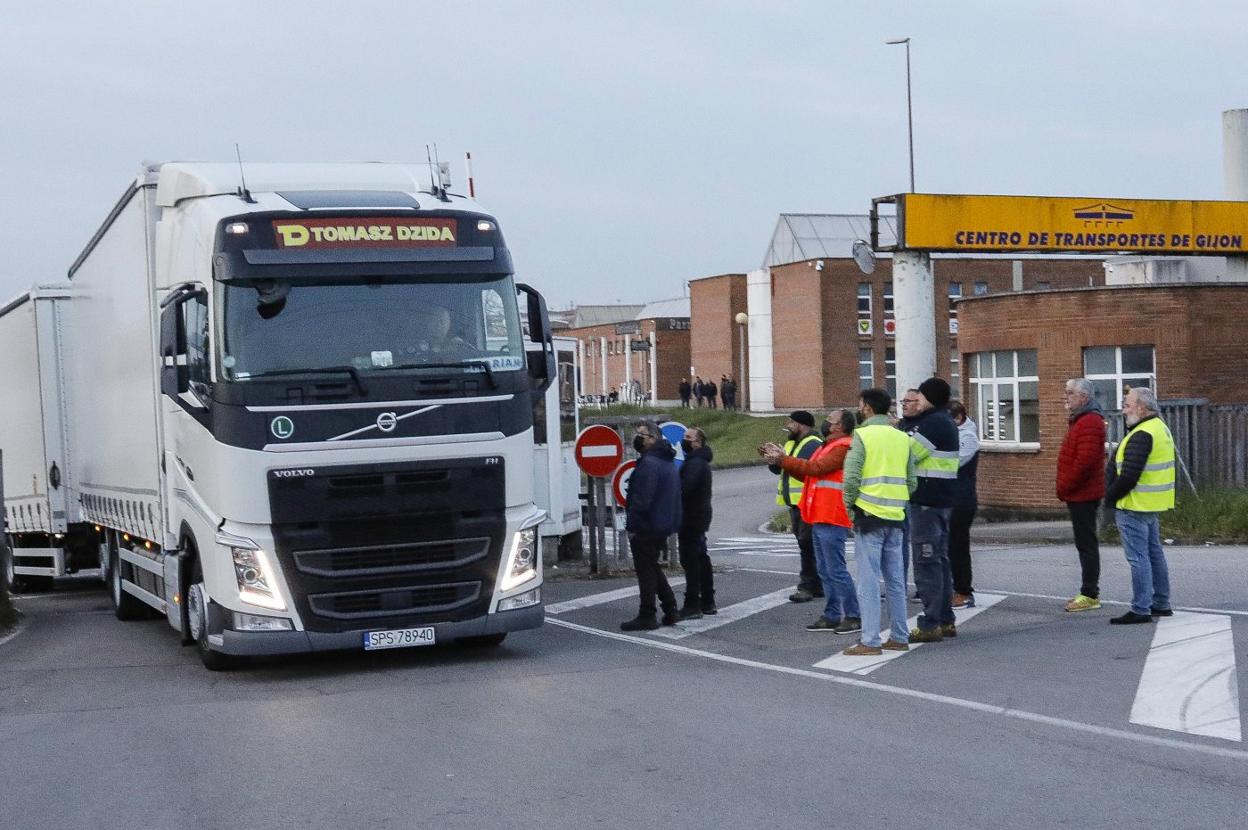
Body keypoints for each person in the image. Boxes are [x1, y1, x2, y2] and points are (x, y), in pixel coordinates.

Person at [763, 409, 861, 634]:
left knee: (835, 569)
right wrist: (784, 462)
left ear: (840, 427)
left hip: (831, 515)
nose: (826, 423)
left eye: (830, 420)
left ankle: (853, 615)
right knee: (826, 570)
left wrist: (784, 460)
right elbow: (809, 474)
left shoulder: (842, 446)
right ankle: (832, 614)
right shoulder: (827, 446)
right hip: (819, 514)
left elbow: (816, 469)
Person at [841, 388, 917, 656]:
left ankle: (870, 640)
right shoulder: (902, 438)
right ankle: (899, 635)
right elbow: (911, 481)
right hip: (896, 517)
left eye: (861, 404)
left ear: (867, 408)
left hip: (869, 516)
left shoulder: (862, 435)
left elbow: (850, 479)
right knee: (896, 580)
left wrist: (850, 510)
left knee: (869, 582)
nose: (859, 409)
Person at [1105, 387, 1175, 625]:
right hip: (1152, 504)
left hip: (1133, 504)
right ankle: (1161, 603)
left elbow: (1128, 476)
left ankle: (1141, 608)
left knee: (1138, 558)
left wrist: (1109, 497)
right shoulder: (1159, 428)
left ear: (1141, 408)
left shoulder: (1142, 433)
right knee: (1154, 554)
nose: (1124, 410)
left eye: (1127, 405)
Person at [906, 377, 961, 643]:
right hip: (940, 500)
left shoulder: (934, 423)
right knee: (940, 561)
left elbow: (908, 454)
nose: (917, 401)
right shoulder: (943, 420)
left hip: (927, 500)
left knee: (927, 563)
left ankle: (930, 623)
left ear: (929, 397)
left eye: (920, 397)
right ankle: (946, 619)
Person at [621, 420, 683, 631]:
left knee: (645, 570)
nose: (637, 438)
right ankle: (670, 607)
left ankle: (648, 613)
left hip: (647, 526)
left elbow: (642, 499)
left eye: (642, 434)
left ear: (653, 439)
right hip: (661, 524)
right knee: (652, 567)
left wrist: (633, 526)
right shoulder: (666, 461)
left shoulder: (649, 464)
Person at [1056, 377, 1107, 612]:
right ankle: (1088, 591)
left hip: (1083, 493)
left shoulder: (1089, 422)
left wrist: (1065, 485)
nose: (1065, 397)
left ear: (1084, 397)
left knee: (1086, 544)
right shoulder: (1081, 420)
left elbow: (1084, 462)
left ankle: (1090, 593)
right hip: (1080, 492)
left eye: (1070, 393)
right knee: (1084, 543)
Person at [765, 411, 824, 602]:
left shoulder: (812, 444)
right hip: (796, 504)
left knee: (808, 545)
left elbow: (804, 469)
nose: (788, 425)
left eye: (791, 422)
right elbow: (781, 469)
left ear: (802, 424)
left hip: (808, 502)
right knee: (806, 545)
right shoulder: (791, 443)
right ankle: (817, 583)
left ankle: (808, 585)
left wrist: (782, 459)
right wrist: (773, 460)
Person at [677, 427, 716, 618]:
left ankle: (692, 603)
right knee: (701, 558)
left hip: (691, 517)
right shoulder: (699, 462)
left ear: (697, 443)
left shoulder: (695, 463)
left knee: (691, 560)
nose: (684, 441)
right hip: (699, 516)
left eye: (688, 438)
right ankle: (708, 601)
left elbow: (685, 489)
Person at [948, 400, 980, 609]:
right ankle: (954, 587)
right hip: (950, 497)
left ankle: (964, 591)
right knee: (949, 546)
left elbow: (952, 463)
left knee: (958, 546)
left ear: (959, 418)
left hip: (961, 499)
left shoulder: (968, 438)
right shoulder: (956, 434)